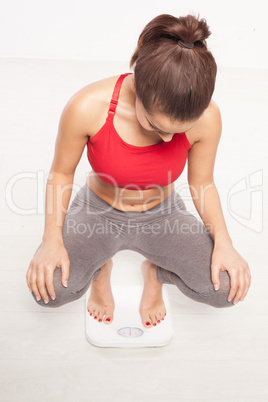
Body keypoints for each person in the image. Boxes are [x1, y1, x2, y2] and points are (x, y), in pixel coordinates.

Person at [26, 14, 251, 329]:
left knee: (226, 289)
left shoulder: (208, 117)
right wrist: (51, 240)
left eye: (179, 131)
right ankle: (101, 270)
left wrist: (225, 244)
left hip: (163, 214)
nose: (168, 140)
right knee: (49, 290)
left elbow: (202, 183)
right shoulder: (88, 106)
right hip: (99, 210)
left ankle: (154, 274)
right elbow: (61, 174)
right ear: (138, 89)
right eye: (156, 126)